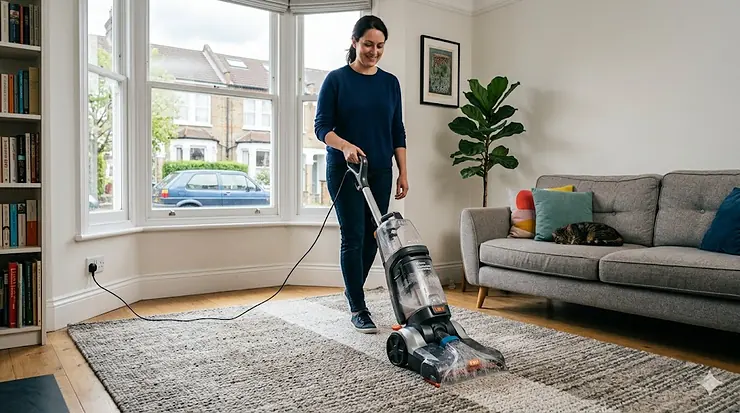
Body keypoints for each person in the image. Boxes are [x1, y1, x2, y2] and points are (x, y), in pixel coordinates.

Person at [314, 15, 408, 333]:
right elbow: (321, 128)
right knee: (352, 235)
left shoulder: (390, 83)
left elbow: (398, 131)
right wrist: (344, 145)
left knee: (374, 237)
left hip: (380, 169)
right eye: (368, 44)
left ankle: (352, 289)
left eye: (380, 46)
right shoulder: (336, 80)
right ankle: (358, 306)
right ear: (354, 42)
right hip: (345, 168)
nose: (374, 51)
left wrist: (403, 173)